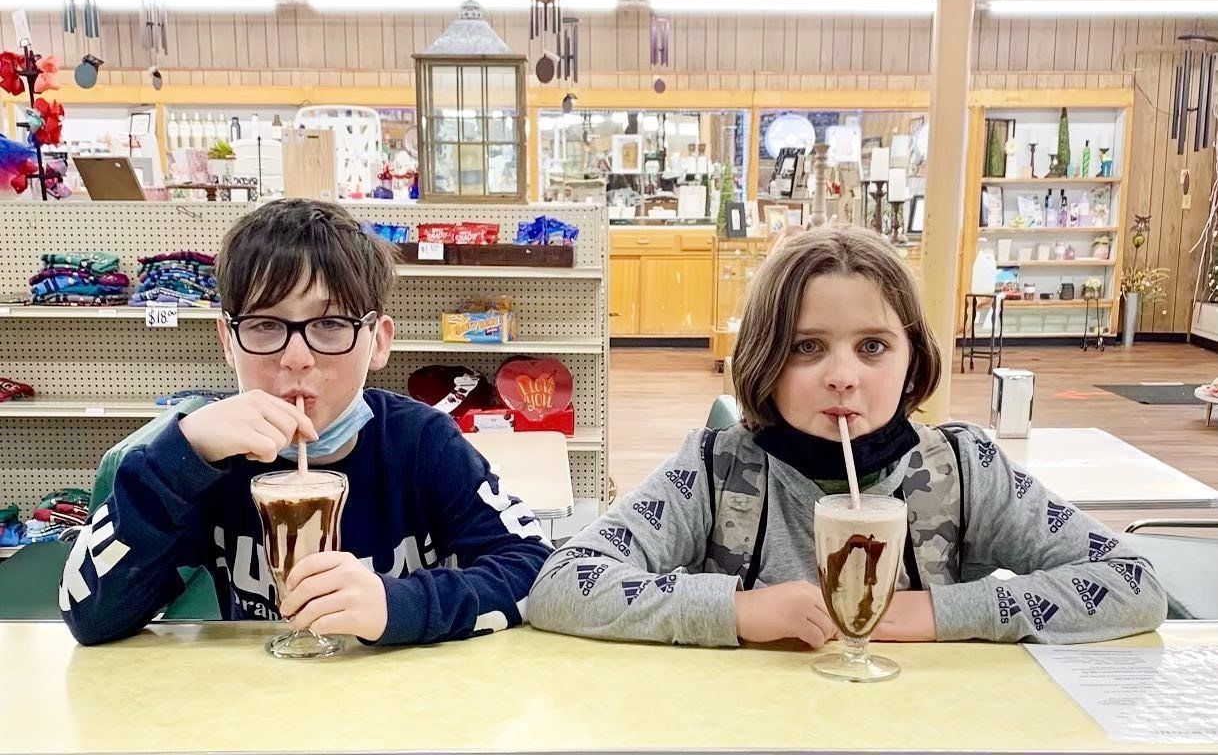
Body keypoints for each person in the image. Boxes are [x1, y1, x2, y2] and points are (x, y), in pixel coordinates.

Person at [529, 226, 1166, 647]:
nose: (843, 378)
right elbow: (562, 584)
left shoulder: (966, 469)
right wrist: (738, 610)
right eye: (807, 347)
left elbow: (1133, 583)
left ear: (912, 358)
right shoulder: (714, 469)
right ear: (764, 359)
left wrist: (947, 612)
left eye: (872, 347)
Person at [61, 199, 551, 646]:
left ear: (378, 341)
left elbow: (536, 569)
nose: (296, 358)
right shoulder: (201, 462)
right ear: (227, 340)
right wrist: (177, 462)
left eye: (331, 324)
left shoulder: (421, 442)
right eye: (265, 325)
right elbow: (89, 615)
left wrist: (399, 604)